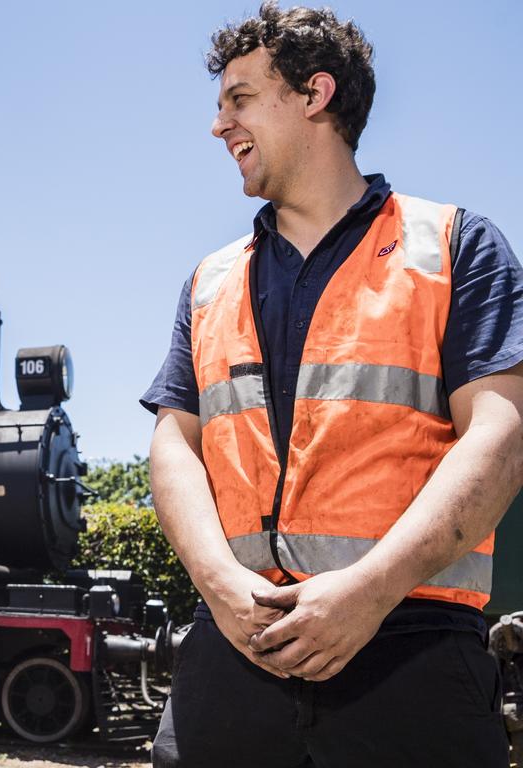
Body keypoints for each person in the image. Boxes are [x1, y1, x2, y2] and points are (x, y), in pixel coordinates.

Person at [140, 3, 523, 767]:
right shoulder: (209, 282)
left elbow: (502, 435)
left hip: (407, 644)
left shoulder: (456, 246)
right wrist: (220, 588)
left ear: (315, 95)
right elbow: (173, 443)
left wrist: (368, 591)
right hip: (234, 647)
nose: (219, 126)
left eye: (240, 99)